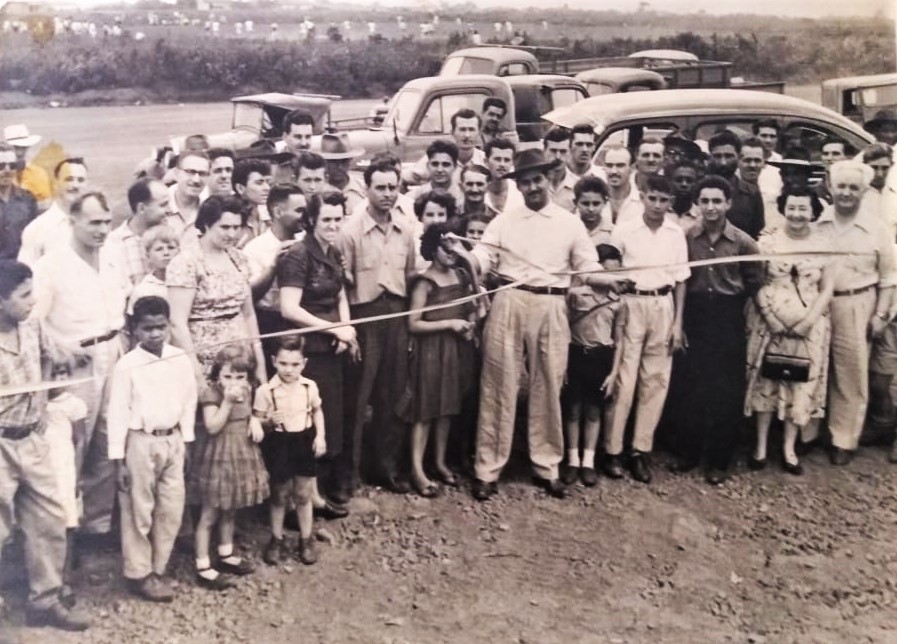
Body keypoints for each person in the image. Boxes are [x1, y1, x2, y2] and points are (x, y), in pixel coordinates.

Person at [454, 149, 629, 500]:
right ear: (517, 185)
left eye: (537, 179)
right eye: (525, 181)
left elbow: (587, 266)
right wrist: (466, 257)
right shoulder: (505, 219)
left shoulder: (569, 222)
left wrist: (609, 281)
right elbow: (484, 255)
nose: (532, 186)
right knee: (498, 382)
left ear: (548, 180)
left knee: (548, 382)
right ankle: (488, 468)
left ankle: (546, 465)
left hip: (551, 303)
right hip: (510, 299)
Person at [0, 260, 90, 631]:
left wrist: (84, 355)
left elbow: (60, 353)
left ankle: (44, 600)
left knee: (49, 519)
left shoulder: (32, 325)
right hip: (0, 447)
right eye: (23, 296)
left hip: (33, 439)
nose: (32, 301)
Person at [32, 192, 126, 539]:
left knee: (108, 437)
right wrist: (58, 357)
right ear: (73, 222)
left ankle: (97, 527)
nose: (102, 230)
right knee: (73, 444)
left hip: (113, 352)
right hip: (73, 364)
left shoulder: (114, 255)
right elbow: (35, 324)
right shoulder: (50, 266)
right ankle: (65, 530)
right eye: (94, 223)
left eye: (107, 222)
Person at [107, 296, 198, 601]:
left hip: (172, 440)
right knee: (138, 509)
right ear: (134, 329)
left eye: (161, 327)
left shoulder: (179, 358)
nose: (156, 334)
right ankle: (138, 572)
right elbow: (117, 412)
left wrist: (186, 441)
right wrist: (118, 460)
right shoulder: (127, 365)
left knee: (171, 506)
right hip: (140, 442)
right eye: (148, 328)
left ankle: (158, 567)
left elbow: (189, 402)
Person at [677, 177, 763, 484]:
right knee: (692, 387)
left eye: (717, 201)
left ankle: (719, 460)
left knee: (725, 392)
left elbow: (754, 283)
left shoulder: (743, 242)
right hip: (696, 314)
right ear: (697, 204)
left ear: (728, 203)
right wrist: (682, 324)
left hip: (727, 318)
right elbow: (682, 281)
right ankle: (689, 452)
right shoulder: (687, 237)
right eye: (705, 201)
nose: (711, 207)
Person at [338, 160, 416, 494]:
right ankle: (348, 475)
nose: (387, 194)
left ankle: (384, 467)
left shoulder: (406, 229)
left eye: (392, 187)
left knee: (393, 394)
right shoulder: (349, 232)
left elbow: (411, 277)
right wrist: (349, 328)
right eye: (380, 187)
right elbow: (342, 285)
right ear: (367, 189)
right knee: (358, 399)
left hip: (396, 315)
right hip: (363, 317)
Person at [606, 174, 689, 484]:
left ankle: (639, 450)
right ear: (642, 196)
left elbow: (681, 280)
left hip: (662, 304)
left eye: (663, 200)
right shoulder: (625, 229)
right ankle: (612, 450)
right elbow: (611, 269)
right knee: (624, 380)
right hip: (631, 303)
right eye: (652, 197)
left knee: (655, 381)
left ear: (670, 203)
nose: (657, 205)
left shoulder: (675, 233)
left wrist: (678, 323)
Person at [745, 187, 833, 477]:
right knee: (766, 381)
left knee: (799, 382)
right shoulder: (767, 241)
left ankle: (789, 448)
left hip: (809, 325)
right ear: (783, 208)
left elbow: (827, 288)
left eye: (803, 209)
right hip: (768, 323)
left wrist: (809, 320)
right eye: (791, 207)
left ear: (813, 212)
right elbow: (755, 281)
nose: (796, 214)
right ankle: (759, 446)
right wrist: (770, 316)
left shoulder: (824, 244)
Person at [279, 192, 358, 509]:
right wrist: (332, 329)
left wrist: (346, 330)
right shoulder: (298, 255)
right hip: (307, 348)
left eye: (338, 219)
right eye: (326, 219)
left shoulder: (335, 250)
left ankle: (318, 490)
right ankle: (303, 498)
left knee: (330, 415)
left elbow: (340, 294)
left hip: (332, 345)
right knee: (307, 417)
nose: (333, 225)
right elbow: (289, 308)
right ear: (311, 220)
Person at [815, 160, 897, 465]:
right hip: (822, 305)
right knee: (820, 368)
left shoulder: (876, 229)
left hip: (857, 304)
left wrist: (880, 316)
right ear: (831, 188)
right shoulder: (819, 223)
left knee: (851, 374)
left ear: (863, 191)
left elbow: (889, 278)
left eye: (853, 188)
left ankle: (843, 439)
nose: (846, 193)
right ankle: (815, 432)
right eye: (841, 187)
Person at [398, 223, 478, 497]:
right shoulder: (424, 282)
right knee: (426, 410)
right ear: (433, 248)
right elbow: (413, 324)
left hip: (456, 350)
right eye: (445, 247)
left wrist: (468, 323)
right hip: (431, 350)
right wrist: (449, 324)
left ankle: (440, 462)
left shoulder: (460, 275)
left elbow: (472, 306)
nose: (451, 253)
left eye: (455, 247)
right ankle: (417, 470)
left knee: (447, 408)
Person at [167, 194, 266, 387]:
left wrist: (259, 360)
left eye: (236, 227)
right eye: (225, 227)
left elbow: (248, 315)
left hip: (239, 357)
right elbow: (177, 324)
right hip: (203, 358)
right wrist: (196, 372)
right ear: (206, 225)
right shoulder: (186, 263)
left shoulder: (239, 259)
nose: (232, 234)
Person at [195, 344, 269, 587]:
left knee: (230, 508)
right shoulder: (213, 394)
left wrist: (257, 422)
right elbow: (213, 426)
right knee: (210, 513)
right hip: (220, 456)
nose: (234, 382)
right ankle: (203, 565)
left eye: (240, 377)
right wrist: (227, 402)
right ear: (217, 376)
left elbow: (251, 416)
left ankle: (226, 554)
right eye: (227, 376)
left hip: (242, 454)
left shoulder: (248, 392)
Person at [255, 337, 326, 566]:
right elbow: (256, 421)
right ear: (274, 362)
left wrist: (320, 436)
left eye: (295, 364)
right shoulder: (266, 390)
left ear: (303, 363)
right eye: (283, 363)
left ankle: (305, 539)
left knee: (303, 494)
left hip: (303, 441)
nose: (289, 369)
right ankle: (276, 539)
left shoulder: (309, 386)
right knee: (279, 494)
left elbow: (317, 411)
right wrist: (267, 421)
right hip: (279, 443)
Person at [562, 243, 625, 487]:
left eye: (616, 274)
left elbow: (619, 341)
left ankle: (588, 461)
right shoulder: (576, 295)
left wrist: (614, 372)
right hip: (576, 354)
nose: (611, 279)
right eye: (606, 272)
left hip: (602, 358)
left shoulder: (618, 302)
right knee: (573, 409)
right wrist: (564, 365)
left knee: (594, 411)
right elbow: (564, 328)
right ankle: (572, 460)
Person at [244, 183, 307, 353]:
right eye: (299, 211)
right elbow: (249, 296)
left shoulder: (307, 242)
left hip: (304, 319)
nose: (304, 216)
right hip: (270, 322)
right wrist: (273, 267)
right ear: (278, 212)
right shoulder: (254, 249)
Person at [44, 363, 87, 606]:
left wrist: (77, 475)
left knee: (68, 524)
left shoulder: (74, 404)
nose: (56, 379)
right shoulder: (35, 402)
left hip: (65, 469)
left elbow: (80, 440)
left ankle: (65, 580)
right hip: (40, 467)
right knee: (43, 525)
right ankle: (45, 580)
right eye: (50, 373)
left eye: (61, 373)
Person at [18, 157, 89, 266]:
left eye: (81, 180)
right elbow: (25, 275)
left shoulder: (96, 224)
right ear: (56, 183)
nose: (75, 185)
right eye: (69, 179)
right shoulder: (37, 229)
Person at [105, 178, 170, 296]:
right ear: (141, 208)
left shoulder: (173, 236)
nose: (169, 210)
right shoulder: (113, 244)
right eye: (163, 205)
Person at [404, 109, 486, 186]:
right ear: (452, 132)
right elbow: (404, 179)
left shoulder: (486, 161)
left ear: (479, 133)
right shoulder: (437, 158)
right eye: (462, 129)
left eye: (471, 130)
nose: (467, 135)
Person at [706, 130, 765, 239]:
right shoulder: (697, 190)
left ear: (738, 157)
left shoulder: (751, 193)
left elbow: (756, 234)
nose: (723, 162)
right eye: (718, 156)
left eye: (729, 156)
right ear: (710, 157)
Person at [127, 225, 179, 315]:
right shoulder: (144, 290)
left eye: (171, 248)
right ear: (148, 256)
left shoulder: (188, 282)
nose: (166, 253)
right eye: (159, 249)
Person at [0, 141, 38, 259]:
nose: (7, 170)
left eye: (12, 166)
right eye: (1, 166)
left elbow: (35, 238)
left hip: (20, 268)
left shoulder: (28, 200)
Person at [3, 124, 52, 211]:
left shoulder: (38, 173)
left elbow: (47, 204)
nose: (20, 153)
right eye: (16, 148)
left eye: (23, 148)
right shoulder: (3, 174)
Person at [408, 140, 464, 211]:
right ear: (428, 165)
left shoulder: (463, 198)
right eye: (435, 164)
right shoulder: (412, 198)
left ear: (455, 167)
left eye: (446, 164)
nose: (440, 170)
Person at [320, 133, 366, 213]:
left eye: (344, 161)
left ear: (350, 161)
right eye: (334, 162)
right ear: (325, 162)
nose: (340, 167)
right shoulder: (318, 190)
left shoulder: (363, 188)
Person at [232, 158, 272, 245]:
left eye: (268, 182)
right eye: (259, 183)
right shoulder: (230, 218)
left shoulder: (269, 217)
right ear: (240, 188)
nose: (267, 188)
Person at [600, 146, 643, 228]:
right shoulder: (593, 199)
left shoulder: (642, 202)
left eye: (620, 165)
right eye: (609, 165)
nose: (614, 171)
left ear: (632, 168)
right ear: (604, 167)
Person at [484, 138, 522, 215]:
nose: (502, 164)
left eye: (507, 160)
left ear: (512, 163)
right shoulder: (478, 189)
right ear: (486, 162)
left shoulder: (520, 191)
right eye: (497, 159)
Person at [543, 128, 577, 212]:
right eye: (553, 151)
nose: (558, 156)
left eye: (563, 151)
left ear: (570, 153)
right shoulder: (535, 184)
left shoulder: (577, 187)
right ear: (544, 151)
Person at [573, 176, 613, 246]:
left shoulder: (613, 232)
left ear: (605, 202)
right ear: (575, 202)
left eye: (596, 204)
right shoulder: (569, 229)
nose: (591, 209)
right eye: (585, 203)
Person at [667, 159, 702, 232]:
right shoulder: (659, 212)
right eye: (679, 180)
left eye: (689, 181)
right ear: (670, 182)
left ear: (696, 184)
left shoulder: (701, 217)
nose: (684, 184)